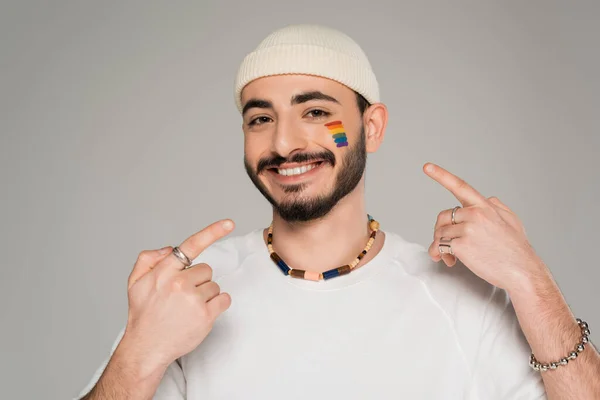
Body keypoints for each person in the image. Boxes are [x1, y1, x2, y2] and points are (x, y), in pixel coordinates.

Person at [76, 24, 600, 399]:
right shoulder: (191, 295)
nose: (283, 143)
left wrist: (532, 280)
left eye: (317, 112)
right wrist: (138, 354)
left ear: (370, 128)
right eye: (261, 119)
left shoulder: (461, 302)